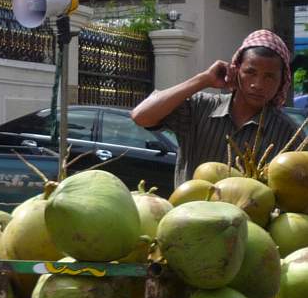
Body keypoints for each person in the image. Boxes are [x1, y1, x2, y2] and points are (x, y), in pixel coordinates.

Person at [131, 29, 306, 187]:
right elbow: (141, 116)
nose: (257, 84)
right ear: (236, 71)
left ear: (282, 81)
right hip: (188, 218)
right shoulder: (200, 107)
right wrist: (204, 79)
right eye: (250, 72)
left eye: (269, 77)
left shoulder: (288, 133)